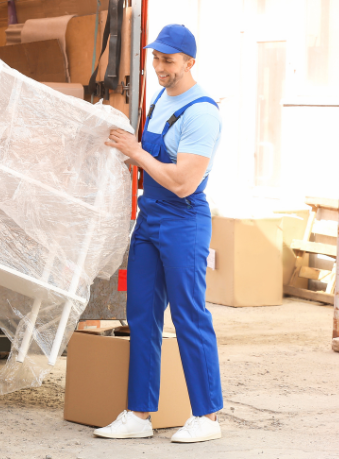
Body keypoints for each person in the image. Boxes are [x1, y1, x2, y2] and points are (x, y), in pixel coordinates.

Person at [99, 24, 224, 443]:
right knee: (141, 316)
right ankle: (138, 415)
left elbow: (184, 182)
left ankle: (206, 416)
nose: (158, 67)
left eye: (168, 61)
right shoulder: (159, 98)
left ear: (190, 62)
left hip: (183, 219)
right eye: (155, 59)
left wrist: (135, 152)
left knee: (189, 315)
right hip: (149, 218)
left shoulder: (203, 112)